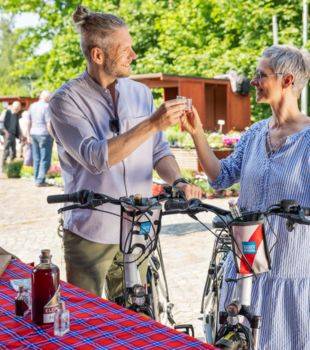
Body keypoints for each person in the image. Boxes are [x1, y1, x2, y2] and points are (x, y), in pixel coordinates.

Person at [48, 5, 202, 300]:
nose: (134, 56)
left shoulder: (141, 93)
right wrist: (152, 123)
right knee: (86, 320)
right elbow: (95, 157)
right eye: (126, 50)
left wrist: (178, 182)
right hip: (90, 231)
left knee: (136, 314)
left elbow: (159, 150)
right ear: (98, 55)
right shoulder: (65, 101)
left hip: (139, 227)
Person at [181, 45, 310, 349]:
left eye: (260, 75)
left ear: (287, 81)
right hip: (246, 262)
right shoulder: (254, 134)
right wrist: (197, 133)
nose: (253, 81)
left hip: (291, 267)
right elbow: (220, 176)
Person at [27, 91, 53, 186]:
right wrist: (53, 135)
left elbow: (28, 121)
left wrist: (28, 135)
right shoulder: (46, 107)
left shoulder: (32, 106)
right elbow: (48, 123)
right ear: (46, 98)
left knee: (36, 158)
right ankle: (40, 180)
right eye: (49, 97)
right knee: (45, 158)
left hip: (33, 133)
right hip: (44, 134)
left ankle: (36, 178)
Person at [1, 101, 22, 167]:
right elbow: (1, 123)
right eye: (17, 108)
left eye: (18, 109)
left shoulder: (16, 114)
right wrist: (5, 131)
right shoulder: (6, 112)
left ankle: (12, 167)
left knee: (14, 152)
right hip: (7, 134)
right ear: (13, 107)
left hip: (13, 134)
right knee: (6, 151)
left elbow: (17, 125)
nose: (18, 110)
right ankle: (3, 167)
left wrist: (20, 134)